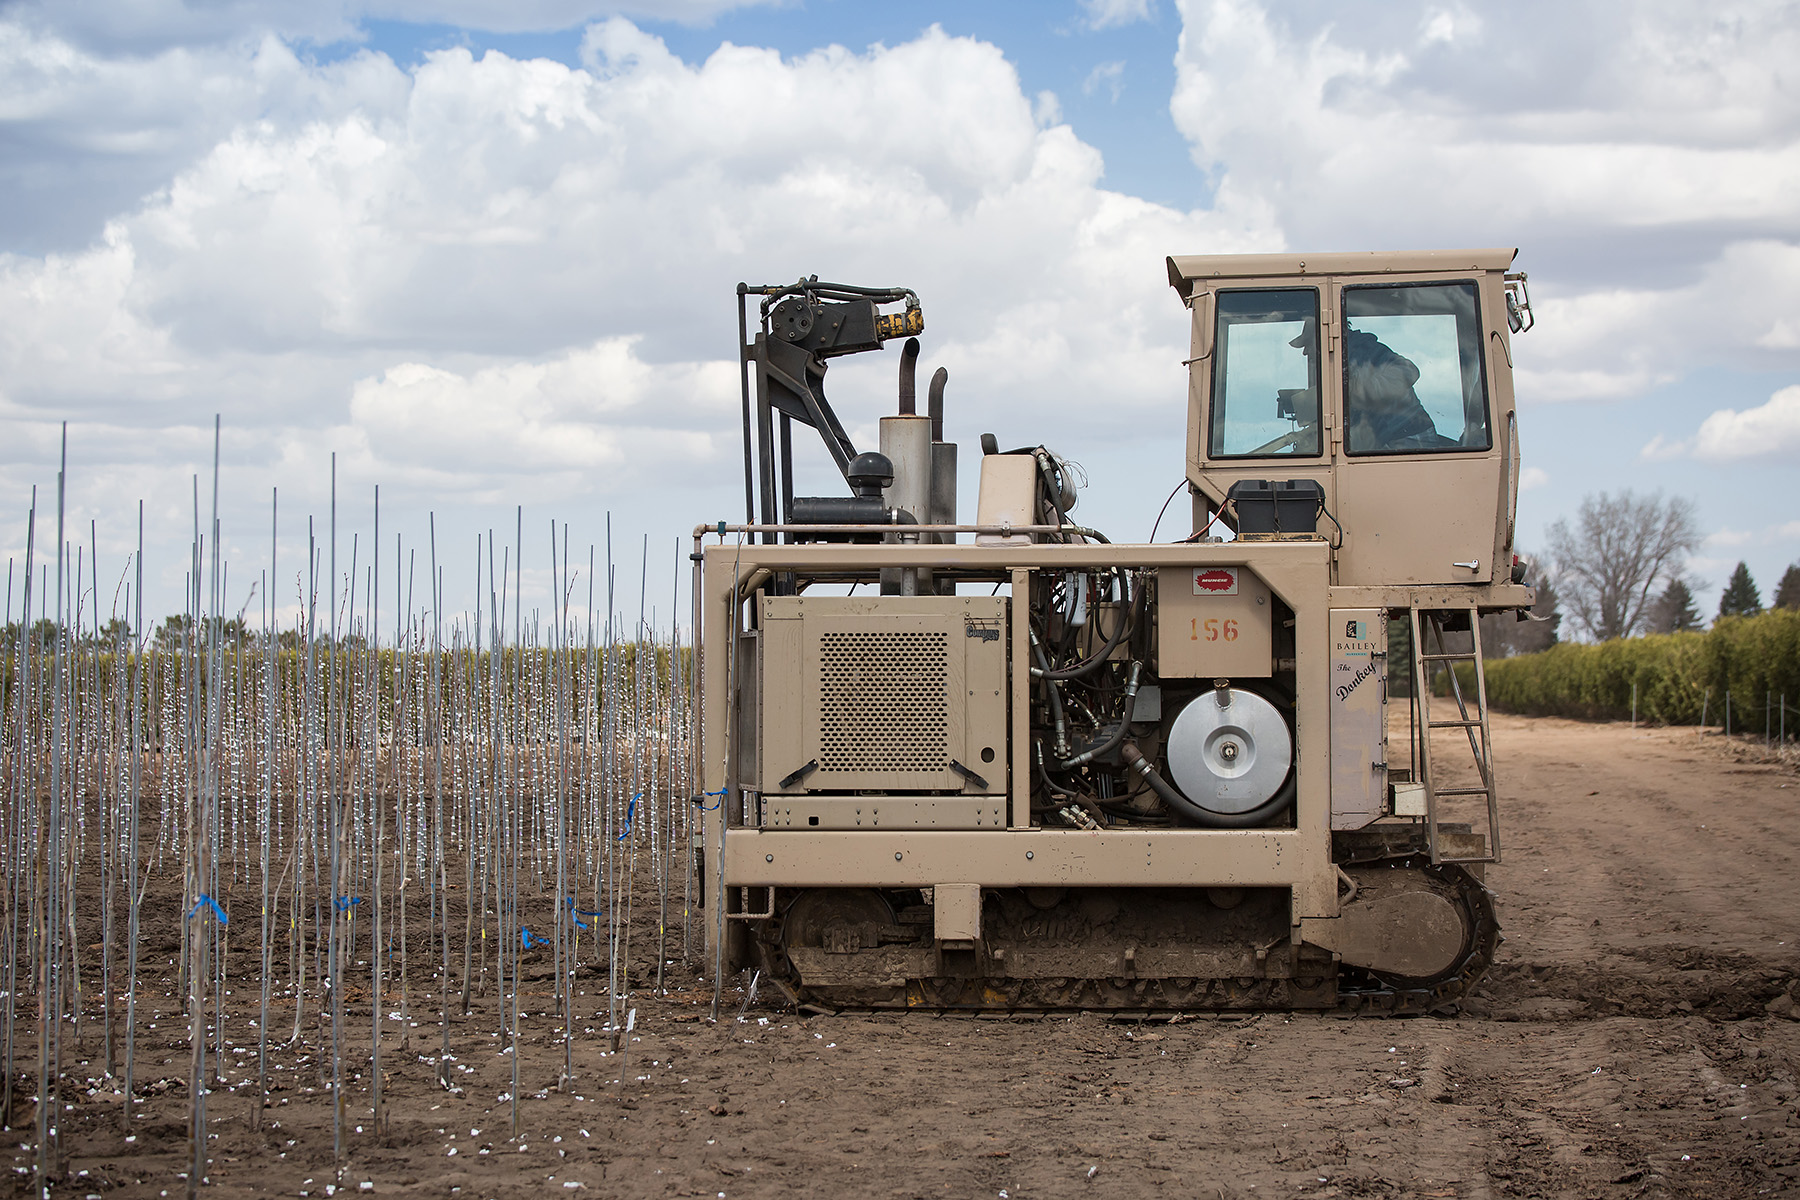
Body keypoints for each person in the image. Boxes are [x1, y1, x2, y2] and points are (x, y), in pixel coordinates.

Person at [1287, 321, 1448, 453]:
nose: (1305, 352)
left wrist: (1359, 390)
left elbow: (1410, 371)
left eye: (1308, 344)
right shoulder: (1340, 360)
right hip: (1389, 437)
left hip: (1410, 437)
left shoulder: (1364, 352)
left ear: (1322, 338)